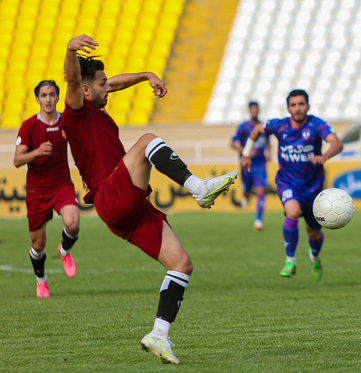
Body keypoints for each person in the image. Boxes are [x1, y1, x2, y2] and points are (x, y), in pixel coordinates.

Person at [62, 34, 237, 364]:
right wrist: (71, 48)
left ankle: (159, 334)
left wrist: (145, 76)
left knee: (181, 265)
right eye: (101, 85)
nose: (108, 88)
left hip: (129, 208)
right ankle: (198, 187)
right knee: (146, 141)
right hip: (110, 196)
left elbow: (111, 83)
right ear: (86, 90)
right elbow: (73, 79)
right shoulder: (76, 112)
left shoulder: (96, 106)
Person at [240, 89, 343, 281]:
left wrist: (325, 156)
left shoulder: (316, 125)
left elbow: (337, 143)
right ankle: (290, 259)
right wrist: (246, 154)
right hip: (287, 182)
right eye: (294, 105)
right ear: (288, 108)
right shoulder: (279, 126)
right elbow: (256, 131)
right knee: (292, 212)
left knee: (313, 233)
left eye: (301, 104)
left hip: (313, 187)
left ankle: (314, 256)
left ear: (308, 106)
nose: (298, 108)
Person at [14, 80, 80, 298]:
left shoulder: (66, 123)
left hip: (62, 184)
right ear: (37, 99)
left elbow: (82, 145)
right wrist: (36, 152)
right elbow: (17, 160)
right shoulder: (29, 125)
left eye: (52, 94)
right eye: (44, 95)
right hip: (37, 190)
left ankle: (64, 250)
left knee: (73, 223)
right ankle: (41, 280)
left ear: (57, 97)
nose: (48, 99)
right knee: (38, 243)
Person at [230, 101, 270, 230]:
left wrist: (269, 153)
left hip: (260, 163)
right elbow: (232, 143)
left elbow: (268, 140)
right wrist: (244, 151)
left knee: (261, 189)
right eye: (252, 109)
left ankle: (258, 220)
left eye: (256, 109)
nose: (254, 112)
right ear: (249, 111)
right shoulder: (243, 127)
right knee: (247, 190)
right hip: (247, 163)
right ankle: (245, 193)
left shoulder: (263, 126)